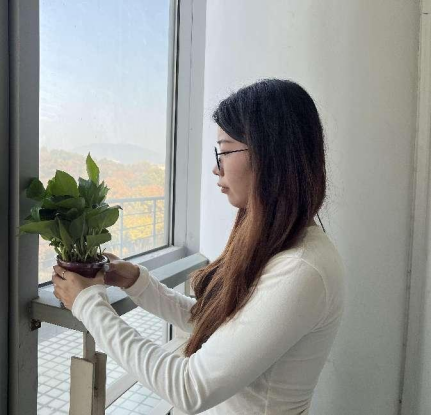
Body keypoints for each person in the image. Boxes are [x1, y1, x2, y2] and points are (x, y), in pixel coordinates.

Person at [52, 79, 345, 415]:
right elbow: (216, 325)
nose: (216, 167)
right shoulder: (282, 246)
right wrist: (137, 281)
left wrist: (89, 304)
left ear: (271, 154)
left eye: (225, 150)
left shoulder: (302, 270)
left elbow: (190, 387)